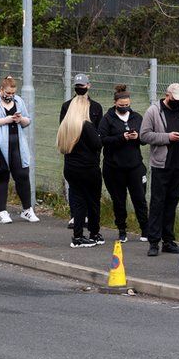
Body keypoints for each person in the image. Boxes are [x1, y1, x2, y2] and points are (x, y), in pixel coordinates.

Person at [0, 76, 40, 224]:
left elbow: (27, 120)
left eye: (12, 93)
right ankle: (2, 212)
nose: (10, 96)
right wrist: (6, 120)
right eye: (8, 93)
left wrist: (20, 119)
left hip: (18, 146)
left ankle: (27, 210)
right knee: (1, 178)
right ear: (1, 90)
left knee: (22, 175)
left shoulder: (18, 101)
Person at [140, 83, 179, 256]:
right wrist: (167, 137)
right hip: (161, 165)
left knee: (172, 203)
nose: (177, 103)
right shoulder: (153, 111)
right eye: (175, 99)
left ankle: (168, 240)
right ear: (167, 95)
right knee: (157, 203)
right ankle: (154, 241)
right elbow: (144, 135)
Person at [98, 85, 148, 243]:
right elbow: (102, 140)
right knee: (119, 200)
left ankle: (145, 230)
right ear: (115, 103)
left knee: (139, 198)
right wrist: (122, 137)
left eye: (127, 105)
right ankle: (122, 230)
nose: (125, 107)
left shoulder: (137, 117)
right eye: (121, 105)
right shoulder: (107, 119)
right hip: (114, 168)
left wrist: (137, 137)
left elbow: (145, 138)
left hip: (134, 166)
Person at [57, 93, 103, 248]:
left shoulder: (65, 125)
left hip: (71, 167)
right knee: (93, 201)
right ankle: (94, 233)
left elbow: (62, 147)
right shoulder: (86, 125)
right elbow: (97, 144)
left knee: (77, 201)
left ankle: (77, 235)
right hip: (88, 168)